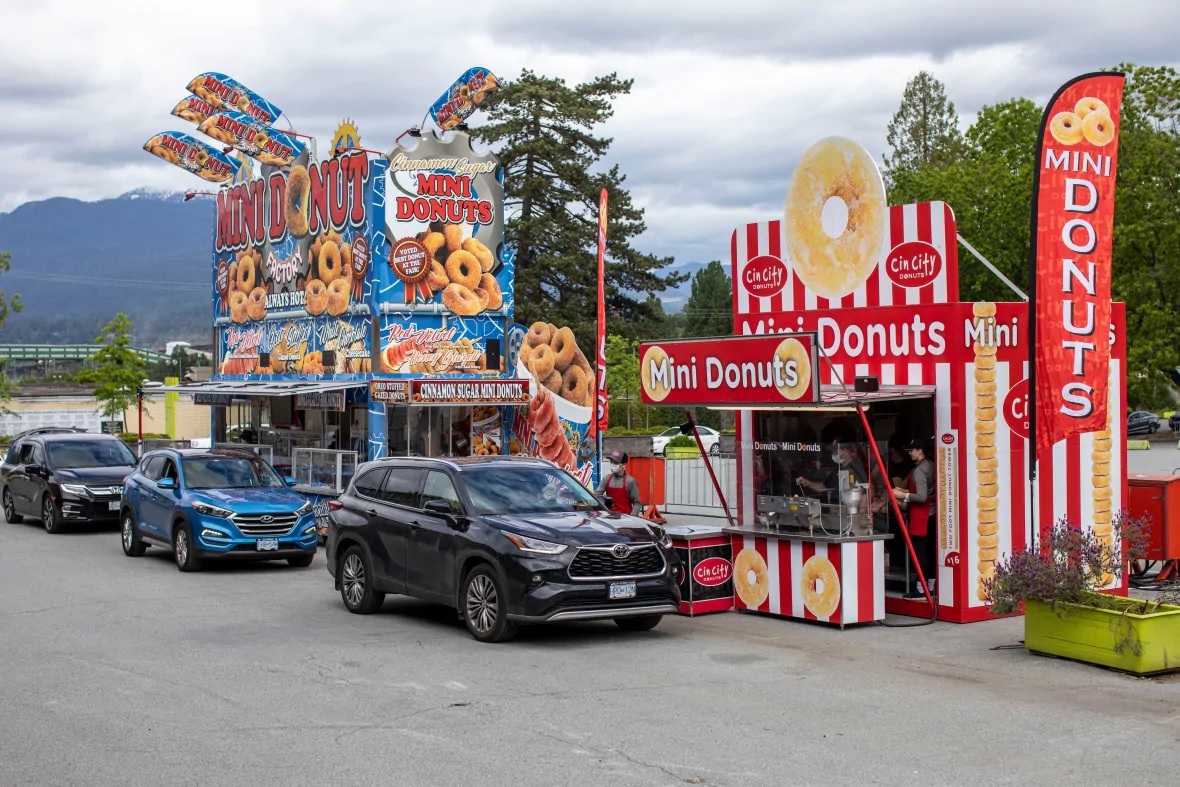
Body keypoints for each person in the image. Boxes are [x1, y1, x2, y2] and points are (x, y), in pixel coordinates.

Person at [893, 437, 936, 599]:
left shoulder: (919, 471)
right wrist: (904, 492)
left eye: (912, 450)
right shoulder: (930, 465)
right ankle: (930, 586)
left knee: (919, 554)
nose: (910, 453)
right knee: (930, 553)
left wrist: (903, 496)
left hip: (921, 516)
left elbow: (922, 497)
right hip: (931, 515)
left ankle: (920, 588)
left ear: (920, 451)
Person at [795, 440, 869, 503]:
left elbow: (865, 494)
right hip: (836, 513)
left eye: (836, 450)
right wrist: (806, 482)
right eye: (833, 450)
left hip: (851, 514)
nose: (834, 453)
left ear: (848, 452)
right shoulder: (837, 469)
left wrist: (860, 514)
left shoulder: (856, 469)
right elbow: (824, 487)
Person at [597, 450, 642, 516]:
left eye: (616, 462)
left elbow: (637, 503)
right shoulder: (606, 479)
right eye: (611, 462)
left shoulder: (630, 481)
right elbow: (596, 495)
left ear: (624, 464)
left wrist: (632, 518)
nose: (612, 464)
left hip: (625, 518)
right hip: (610, 516)